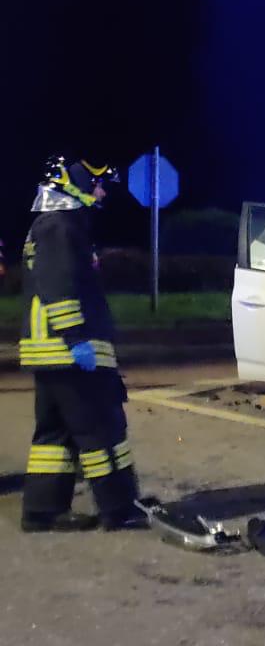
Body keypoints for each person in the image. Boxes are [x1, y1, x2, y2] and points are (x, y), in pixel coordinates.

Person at [17, 156, 144, 532]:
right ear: (72, 188)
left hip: (51, 352)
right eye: (95, 185)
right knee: (101, 429)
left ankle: (42, 511)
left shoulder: (51, 225)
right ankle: (119, 506)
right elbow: (60, 285)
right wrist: (75, 338)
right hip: (67, 350)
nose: (101, 191)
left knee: (54, 435)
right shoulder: (61, 225)